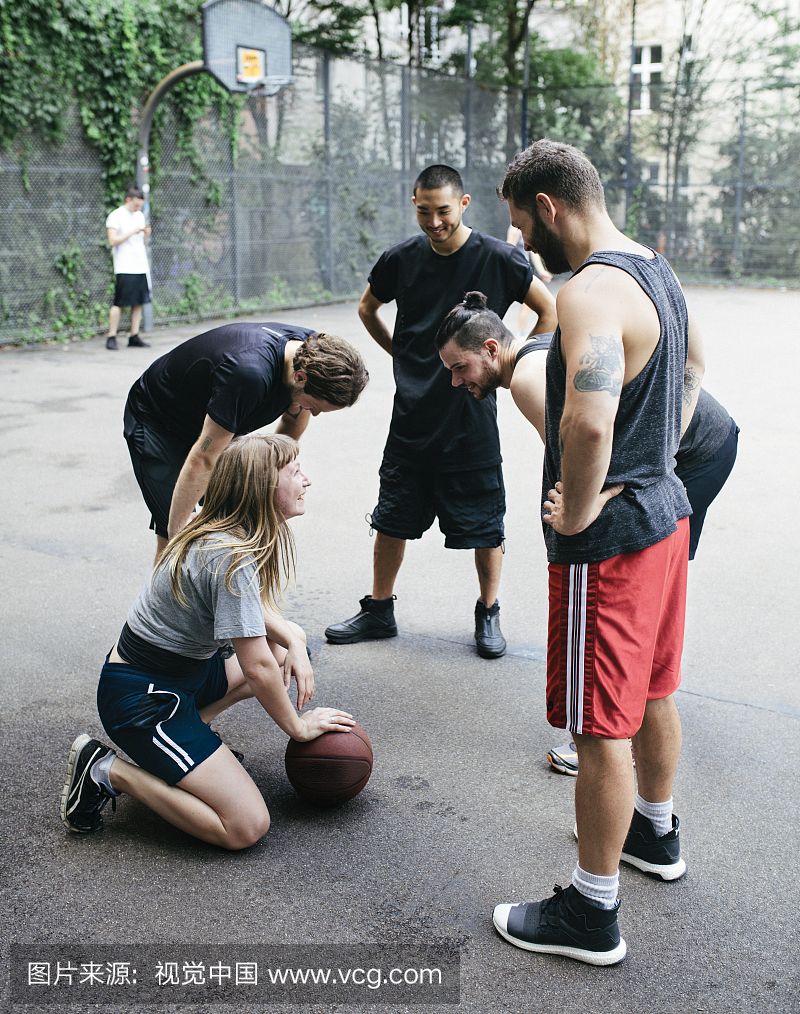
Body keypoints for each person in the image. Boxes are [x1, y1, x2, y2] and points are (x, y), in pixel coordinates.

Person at [487, 139, 704, 967]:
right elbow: (695, 369)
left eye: (519, 224)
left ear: (548, 208)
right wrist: (654, 467)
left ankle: (592, 912)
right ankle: (657, 833)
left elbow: (585, 421)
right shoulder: (658, 269)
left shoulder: (586, 294)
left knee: (596, 726)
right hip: (666, 518)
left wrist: (577, 514)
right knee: (652, 690)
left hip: (610, 544)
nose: (521, 244)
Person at [435, 294, 739, 776]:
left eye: (459, 367)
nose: (456, 380)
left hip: (699, 448)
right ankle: (633, 708)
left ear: (492, 349)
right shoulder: (531, 354)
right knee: (649, 583)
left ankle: (612, 732)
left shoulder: (526, 380)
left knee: (643, 573)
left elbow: (594, 444)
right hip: (695, 441)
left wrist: (590, 503)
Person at [61, 434, 355, 849]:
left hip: (177, 677)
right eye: (294, 472)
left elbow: (250, 620)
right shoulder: (230, 556)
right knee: (245, 827)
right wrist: (298, 727)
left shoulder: (219, 530)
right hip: (143, 702)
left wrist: (293, 633)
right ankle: (109, 771)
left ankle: (193, 737)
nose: (307, 480)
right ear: (262, 487)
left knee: (283, 649)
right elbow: (255, 667)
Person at [324, 164, 557, 658]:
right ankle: (379, 609)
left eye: (443, 211)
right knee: (392, 518)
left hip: (471, 418)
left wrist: (514, 361)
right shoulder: (401, 259)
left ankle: (488, 612)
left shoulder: (499, 257)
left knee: (485, 524)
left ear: (464, 204)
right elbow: (368, 309)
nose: (434, 222)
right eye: (424, 211)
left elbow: (549, 309)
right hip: (411, 419)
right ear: (414, 205)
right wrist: (401, 357)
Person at [124, 322, 369, 564]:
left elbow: (289, 431)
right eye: (315, 407)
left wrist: (271, 485)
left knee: (228, 522)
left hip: (213, 421)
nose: (313, 414)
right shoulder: (249, 375)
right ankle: (161, 600)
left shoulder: (311, 355)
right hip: (159, 422)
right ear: (300, 377)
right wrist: (179, 534)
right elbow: (204, 458)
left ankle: (220, 596)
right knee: (176, 540)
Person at [106, 186, 151, 350]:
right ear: (128, 200)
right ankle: (111, 336)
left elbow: (142, 243)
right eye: (136, 205)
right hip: (124, 266)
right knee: (119, 302)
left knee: (138, 302)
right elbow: (112, 241)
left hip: (140, 265)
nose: (138, 209)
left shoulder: (139, 216)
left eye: (140, 206)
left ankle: (134, 335)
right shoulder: (115, 216)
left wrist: (145, 234)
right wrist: (132, 232)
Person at [506, 225, 553, 332]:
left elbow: (533, 253)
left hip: (525, 271)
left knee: (528, 305)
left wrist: (541, 271)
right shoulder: (515, 230)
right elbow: (508, 250)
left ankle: (522, 333)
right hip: (517, 272)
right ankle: (521, 334)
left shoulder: (527, 229)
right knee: (529, 303)